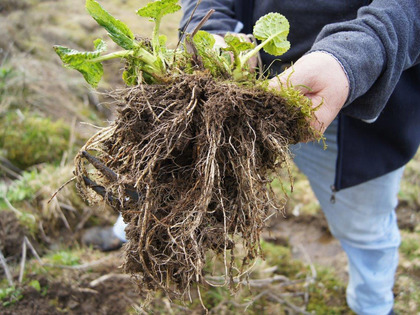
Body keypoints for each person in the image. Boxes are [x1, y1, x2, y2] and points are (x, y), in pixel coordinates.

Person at [83, 0, 420, 313]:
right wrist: (214, 33)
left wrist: (357, 53)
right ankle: (132, 231)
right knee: (164, 167)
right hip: (239, 88)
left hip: (352, 94)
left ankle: (373, 303)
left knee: (363, 225)